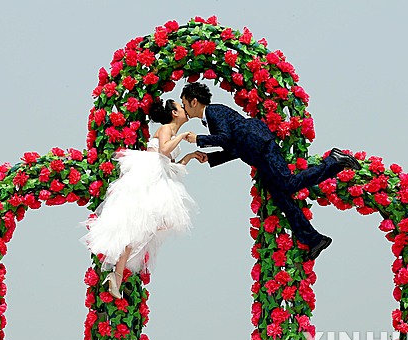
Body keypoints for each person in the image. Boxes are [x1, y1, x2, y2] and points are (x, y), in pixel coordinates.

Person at [180, 82, 361, 261]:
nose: (184, 108)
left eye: (184, 103)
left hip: (261, 145)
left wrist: (199, 139)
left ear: (194, 102)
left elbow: (225, 139)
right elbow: (233, 147)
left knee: (287, 184)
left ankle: (335, 161)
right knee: (281, 197)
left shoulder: (213, 111)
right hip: (255, 152)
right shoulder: (211, 118)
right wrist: (210, 157)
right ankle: (314, 239)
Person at [82, 99, 207, 298]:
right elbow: (164, 151)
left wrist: (191, 156)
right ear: (174, 113)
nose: (185, 109)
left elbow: (173, 167)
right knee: (141, 225)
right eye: (181, 107)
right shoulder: (166, 129)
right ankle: (117, 274)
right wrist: (183, 136)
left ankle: (117, 274)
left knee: (146, 227)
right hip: (148, 177)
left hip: (161, 177)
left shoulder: (173, 135)